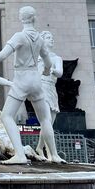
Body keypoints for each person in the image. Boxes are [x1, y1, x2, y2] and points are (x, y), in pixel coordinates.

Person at [0, 6, 65, 164]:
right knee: (45, 119)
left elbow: (2, 55)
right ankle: (54, 155)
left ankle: (19, 154)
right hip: (36, 80)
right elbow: (47, 61)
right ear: (34, 19)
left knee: (6, 116)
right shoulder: (39, 39)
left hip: (22, 78)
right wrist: (47, 71)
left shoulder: (19, 36)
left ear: (21, 19)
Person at [34, 31, 63, 159]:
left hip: (52, 89)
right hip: (41, 89)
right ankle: (52, 154)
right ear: (42, 40)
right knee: (47, 120)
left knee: (48, 124)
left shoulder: (57, 58)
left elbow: (60, 73)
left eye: (52, 37)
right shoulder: (37, 58)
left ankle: (39, 148)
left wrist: (53, 69)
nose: (52, 39)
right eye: (48, 37)